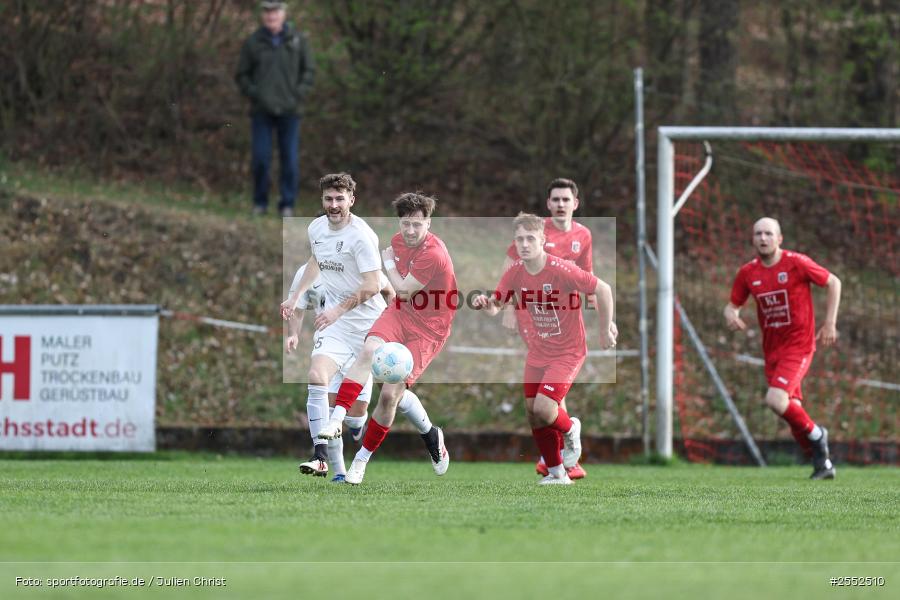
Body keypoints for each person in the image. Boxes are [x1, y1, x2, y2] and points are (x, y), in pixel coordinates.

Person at [317, 192, 456, 486]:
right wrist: (389, 264)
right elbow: (400, 297)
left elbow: (404, 288)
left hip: (429, 329)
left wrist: (387, 262)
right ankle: (335, 418)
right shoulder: (396, 242)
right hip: (401, 314)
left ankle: (362, 461)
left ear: (428, 223)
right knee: (368, 351)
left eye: (417, 224)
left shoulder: (434, 253)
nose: (410, 231)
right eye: (405, 224)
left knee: (391, 395)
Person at [475, 213, 616, 485]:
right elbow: (496, 305)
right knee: (532, 413)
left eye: (530, 238)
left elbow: (603, 289)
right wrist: (486, 304)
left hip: (568, 351)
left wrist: (604, 328)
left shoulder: (561, 269)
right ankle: (557, 474)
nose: (524, 244)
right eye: (519, 239)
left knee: (544, 408)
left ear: (542, 239)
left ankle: (571, 429)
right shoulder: (515, 272)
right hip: (538, 352)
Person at [280, 172, 386, 479]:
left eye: (340, 199)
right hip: (335, 326)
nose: (334, 205)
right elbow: (316, 261)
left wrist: (339, 310)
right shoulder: (316, 228)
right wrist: (296, 296)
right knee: (316, 375)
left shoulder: (362, 236)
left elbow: (372, 284)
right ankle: (320, 458)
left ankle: (356, 426)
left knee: (354, 415)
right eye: (329, 198)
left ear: (352, 200)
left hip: (368, 328)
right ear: (322, 200)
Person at [724, 217, 841, 480]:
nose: (762, 238)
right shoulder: (748, 273)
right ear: (752, 239)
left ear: (779, 239)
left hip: (798, 345)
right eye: (758, 234)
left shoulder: (796, 263)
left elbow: (834, 282)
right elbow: (732, 305)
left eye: (768, 233)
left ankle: (818, 436)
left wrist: (829, 323)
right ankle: (823, 465)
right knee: (791, 409)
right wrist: (730, 314)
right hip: (772, 350)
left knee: (775, 400)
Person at [284, 263, 394, 482]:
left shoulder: (360, 264)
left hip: (365, 343)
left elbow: (388, 290)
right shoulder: (305, 273)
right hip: (331, 339)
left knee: (353, 419)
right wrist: (292, 334)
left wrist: (393, 327)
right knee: (324, 395)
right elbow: (297, 306)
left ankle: (357, 427)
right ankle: (334, 468)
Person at [236, 1, 315, 217]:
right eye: (268, 12)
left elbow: (309, 71)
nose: (272, 16)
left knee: (289, 160)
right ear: (263, 15)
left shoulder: (298, 40)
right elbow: (242, 75)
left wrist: (297, 93)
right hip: (261, 112)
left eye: (275, 12)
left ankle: (287, 204)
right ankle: (260, 203)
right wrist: (255, 93)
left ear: (283, 14)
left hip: (290, 112)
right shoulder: (253, 42)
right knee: (261, 158)